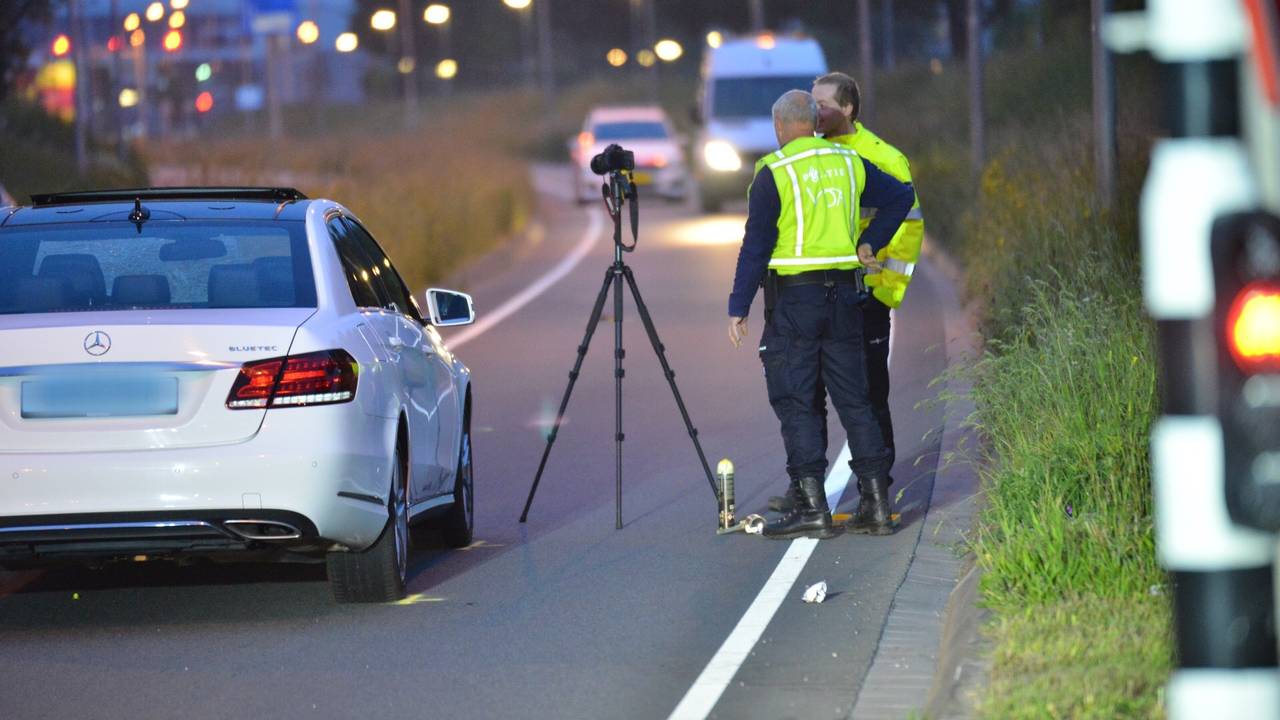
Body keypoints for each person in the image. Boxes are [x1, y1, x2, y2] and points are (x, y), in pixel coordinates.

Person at [727, 90, 914, 540]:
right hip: (847, 300)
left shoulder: (774, 172)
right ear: (812, 122)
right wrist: (872, 242)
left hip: (796, 302)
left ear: (778, 127)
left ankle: (811, 507)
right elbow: (901, 197)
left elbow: (756, 246)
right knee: (856, 400)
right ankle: (876, 504)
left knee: (796, 399)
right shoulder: (849, 163)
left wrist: (739, 306)